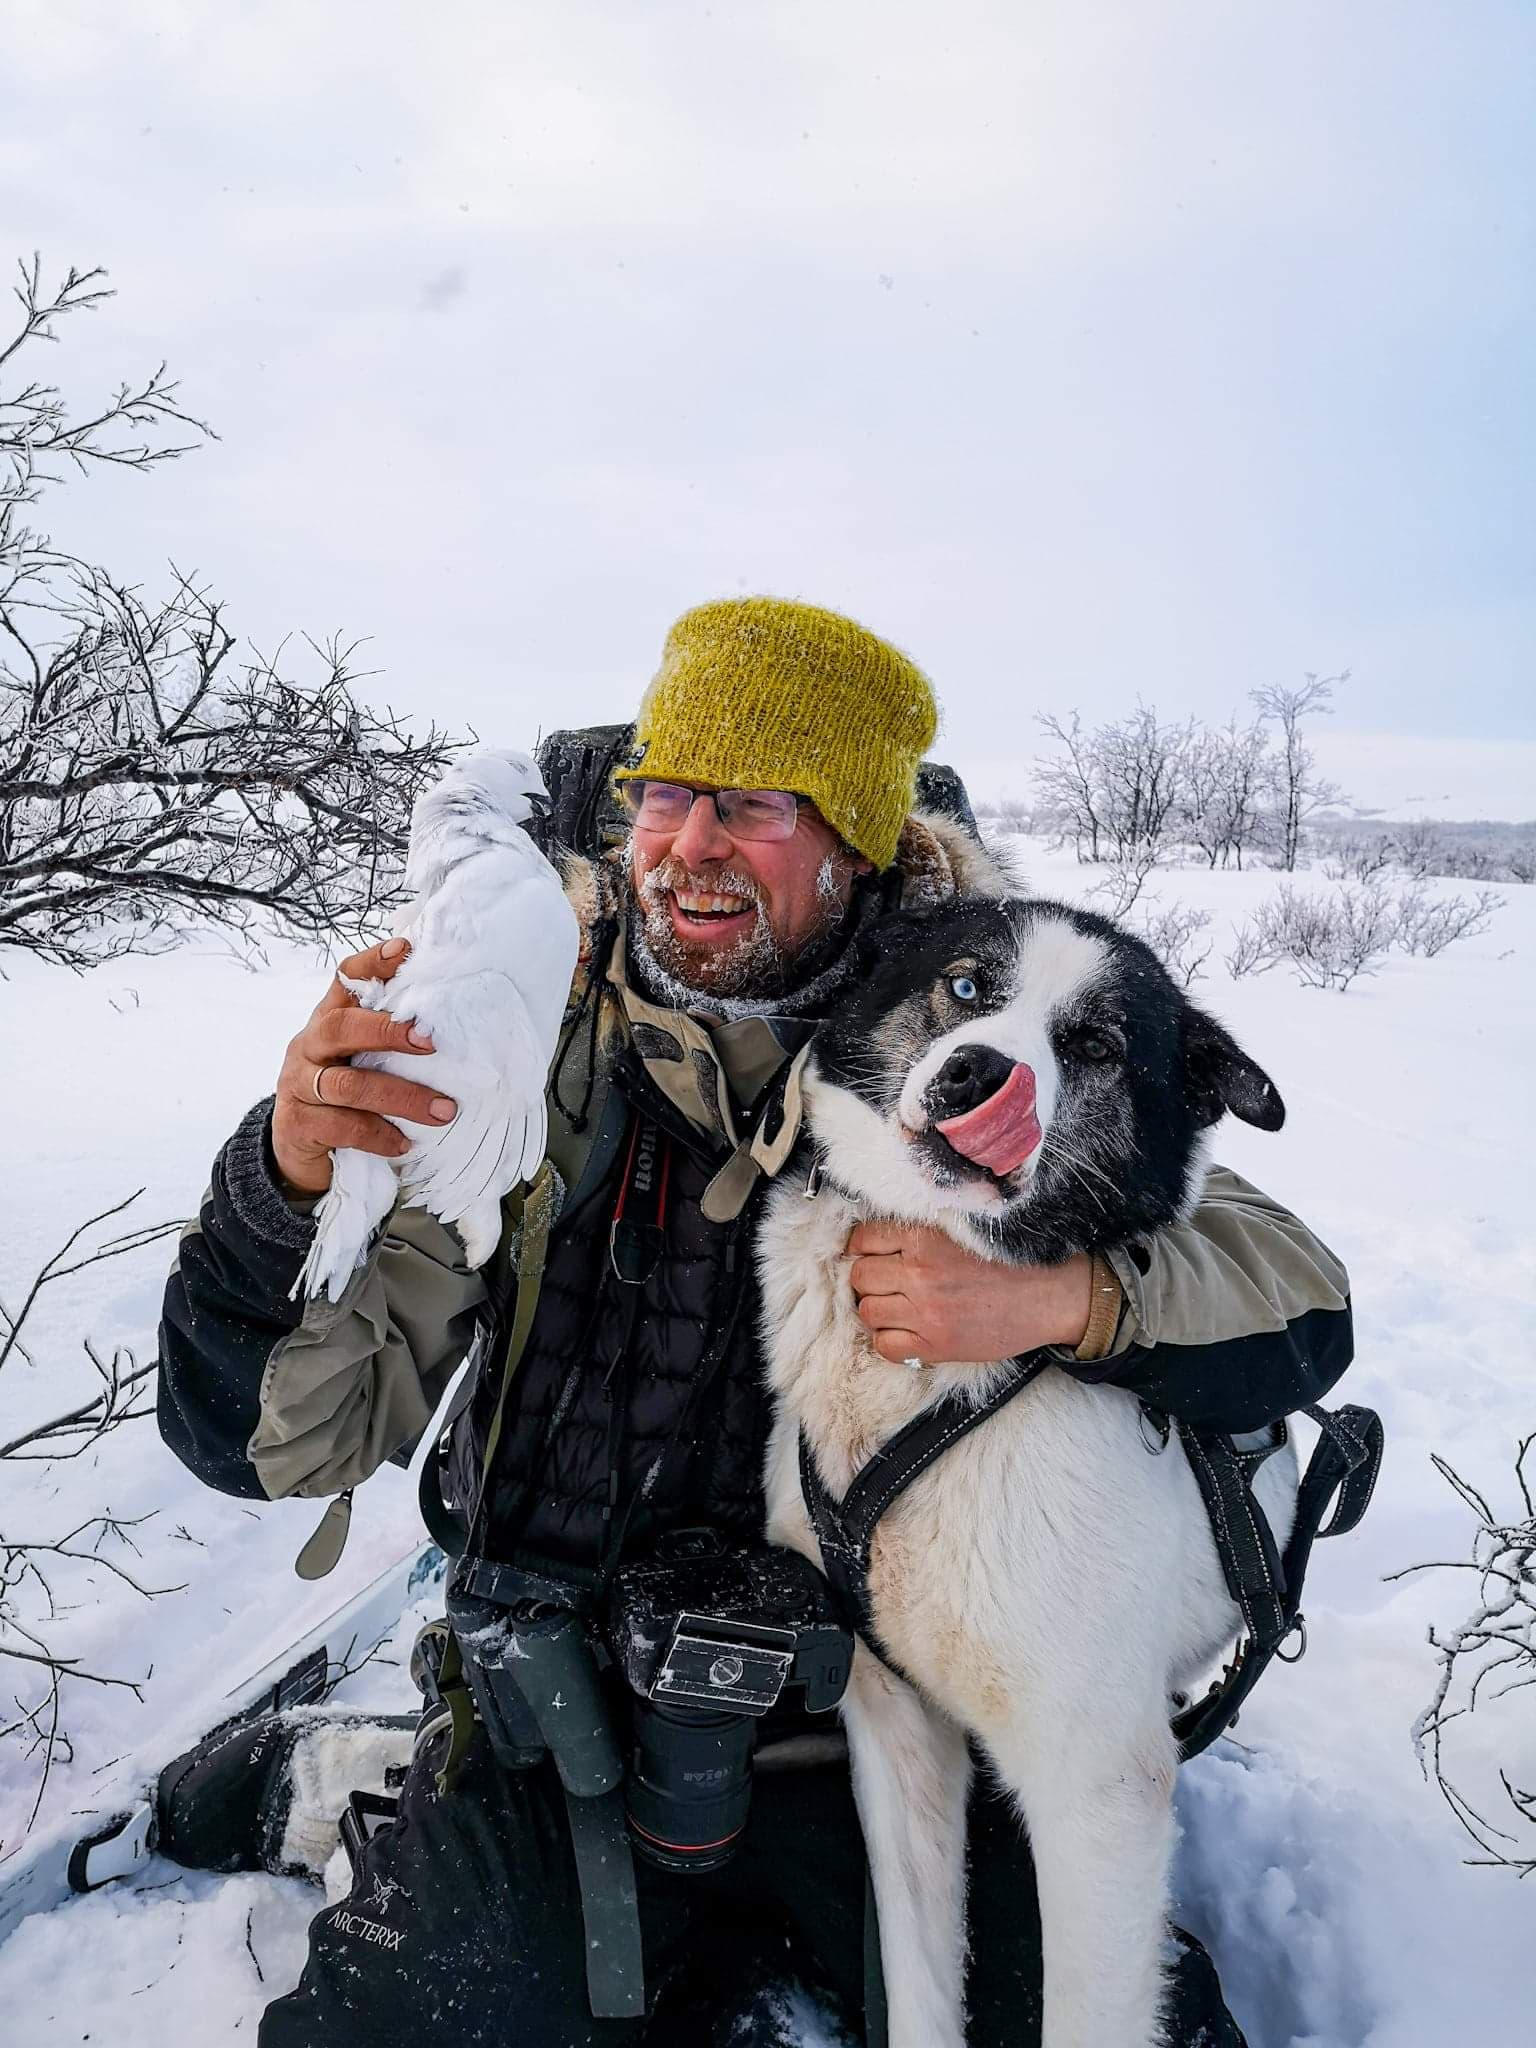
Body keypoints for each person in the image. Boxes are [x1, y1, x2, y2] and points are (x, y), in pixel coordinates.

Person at [157, 597, 1354, 2046]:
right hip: (565, 1677)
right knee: (442, 2018)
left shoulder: (958, 1009)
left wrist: (1076, 1297)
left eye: (752, 804)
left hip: (890, 1696)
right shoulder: (517, 1031)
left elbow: (1281, 1276)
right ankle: (356, 1773)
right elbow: (265, 1446)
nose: (689, 843)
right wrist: (286, 1185)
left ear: (856, 843)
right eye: (667, 793)